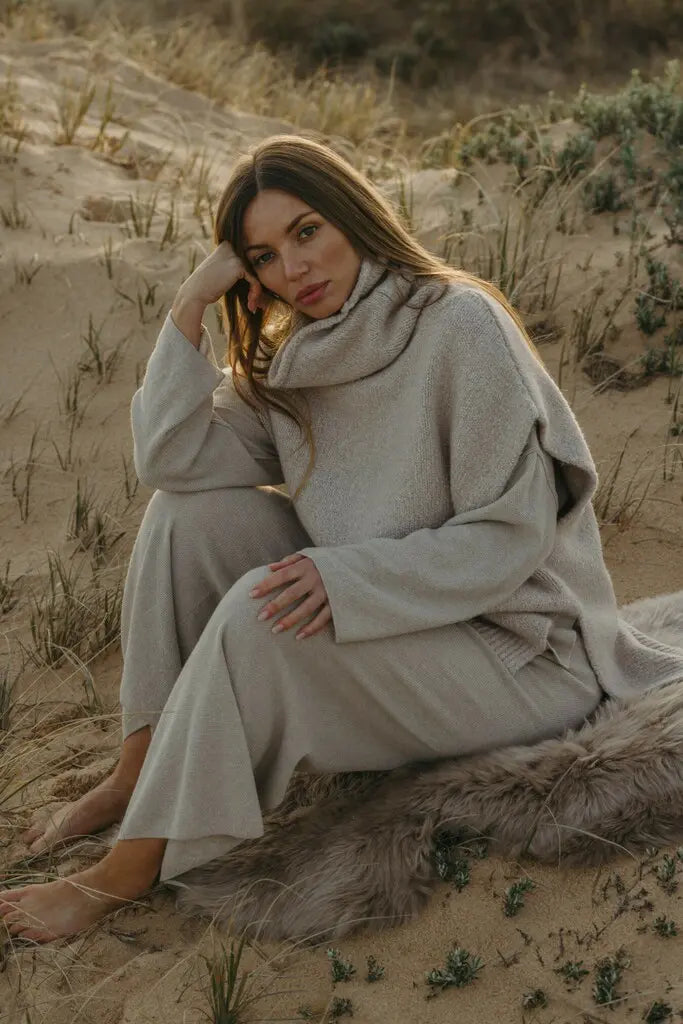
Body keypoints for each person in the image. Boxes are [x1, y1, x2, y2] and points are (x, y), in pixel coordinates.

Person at [3, 134, 683, 945]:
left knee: (265, 614)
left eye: (307, 231)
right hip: (410, 624)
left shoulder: (457, 323)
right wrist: (188, 309)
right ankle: (137, 768)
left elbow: (509, 536)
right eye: (263, 255)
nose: (295, 268)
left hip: (523, 655)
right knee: (190, 517)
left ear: (353, 217)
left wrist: (346, 579)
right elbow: (172, 461)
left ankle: (125, 871)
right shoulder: (301, 356)